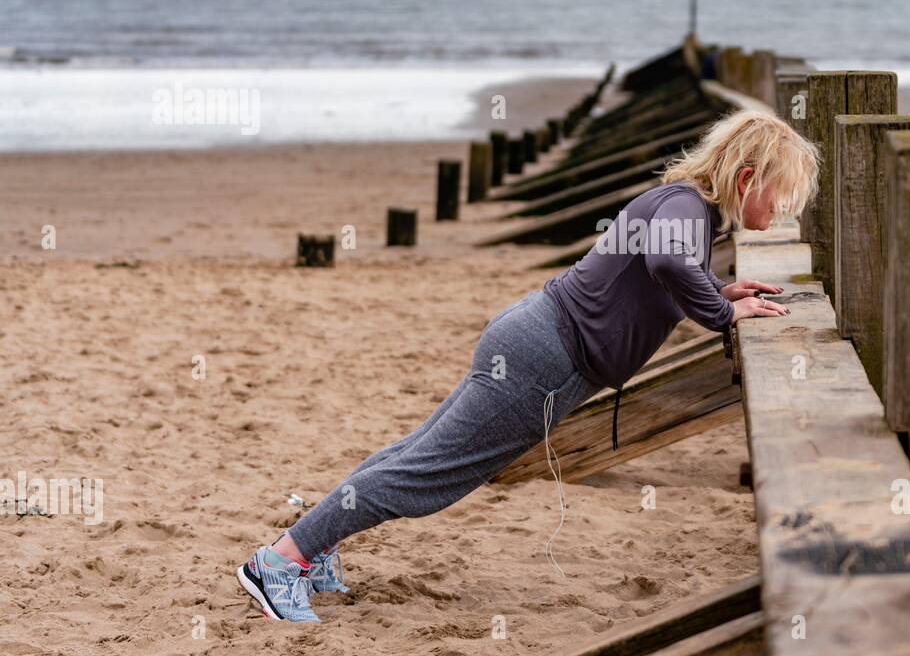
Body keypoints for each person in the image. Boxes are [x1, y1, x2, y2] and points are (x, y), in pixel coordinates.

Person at [236, 107, 820, 621]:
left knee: (415, 457)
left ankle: (310, 550)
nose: (784, 207)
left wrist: (720, 293)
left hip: (534, 340)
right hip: (543, 356)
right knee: (428, 477)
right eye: (782, 193)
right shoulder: (686, 208)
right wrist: (722, 316)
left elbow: (653, 277)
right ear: (746, 178)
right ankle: (279, 563)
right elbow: (668, 263)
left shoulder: (684, 206)